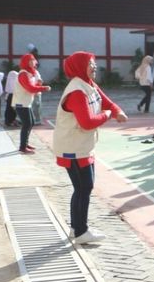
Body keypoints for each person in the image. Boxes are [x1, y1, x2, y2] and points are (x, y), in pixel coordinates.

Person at [52, 51, 127, 244]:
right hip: (73, 147)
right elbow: (87, 122)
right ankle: (81, 231)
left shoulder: (88, 84)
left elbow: (105, 100)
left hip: (81, 145)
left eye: (94, 63)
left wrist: (117, 110)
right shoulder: (77, 91)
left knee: (81, 187)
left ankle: (77, 228)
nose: (94, 67)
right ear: (79, 66)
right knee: (84, 187)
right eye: (90, 64)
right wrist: (109, 114)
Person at [11, 53, 51, 153]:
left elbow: (32, 86)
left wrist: (38, 83)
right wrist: (44, 88)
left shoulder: (30, 73)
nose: (35, 62)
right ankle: (22, 147)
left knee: (31, 122)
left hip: (26, 102)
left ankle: (25, 143)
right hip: (21, 103)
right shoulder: (23, 74)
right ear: (27, 62)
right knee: (27, 124)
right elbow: (30, 88)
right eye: (32, 60)